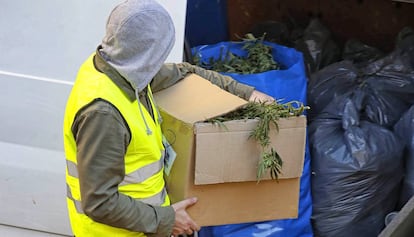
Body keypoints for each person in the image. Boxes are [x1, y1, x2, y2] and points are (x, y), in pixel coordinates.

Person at [63, 0, 273, 236]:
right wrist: (167, 219)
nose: (160, 61)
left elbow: (185, 72)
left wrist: (247, 94)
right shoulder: (103, 114)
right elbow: (100, 203)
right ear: (147, 52)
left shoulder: (122, 67)